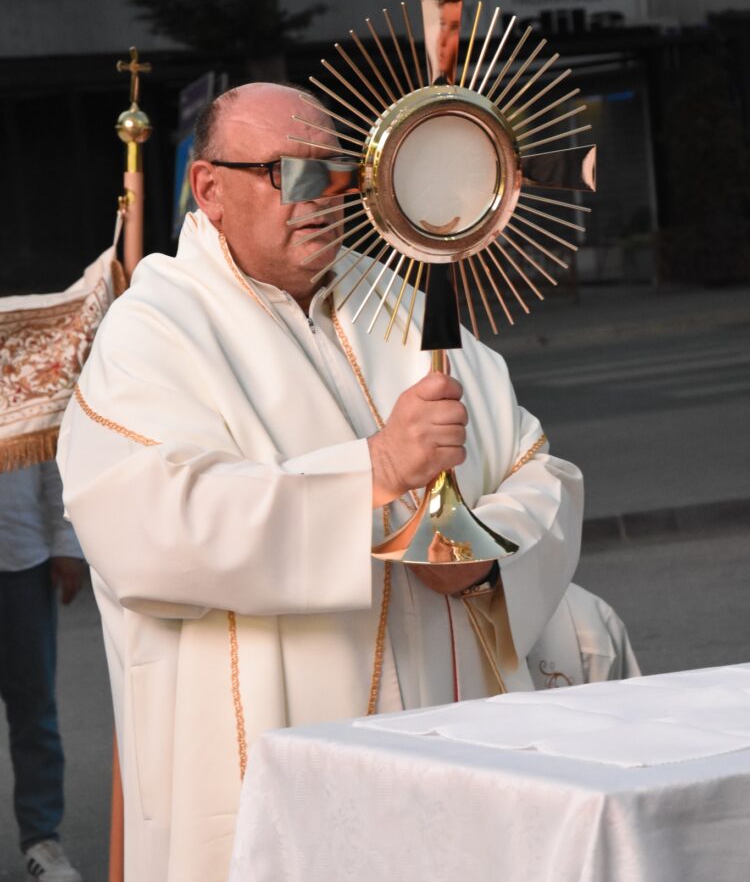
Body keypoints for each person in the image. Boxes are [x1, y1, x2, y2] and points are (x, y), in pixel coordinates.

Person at [57, 82, 638, 882]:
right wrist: (373, 469)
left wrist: (487, 561)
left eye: (333, 172)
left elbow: (539, 466)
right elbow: (152, 528)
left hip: (449, 744)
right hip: (276, 768)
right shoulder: (154, 331)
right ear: (209, 188)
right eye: (286, 174)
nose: (320, 198)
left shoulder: (396, 298)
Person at [0, 461, 85, 882]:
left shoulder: (21, 392)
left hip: (20, 561)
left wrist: (67, 543)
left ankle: (40, 840)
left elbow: (55, 462)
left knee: (34, 712)